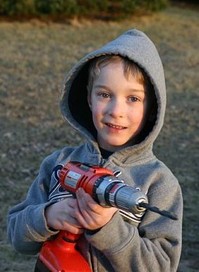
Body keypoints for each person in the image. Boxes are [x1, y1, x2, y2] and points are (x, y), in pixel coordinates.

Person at [7, 29, 183, 272]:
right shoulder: (59, 164)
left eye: (133, 98)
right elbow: (17, 237)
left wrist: (109, 229)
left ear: (152, 107)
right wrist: (47, 216)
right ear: (89, 99)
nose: (116, 110)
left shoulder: (159, 184)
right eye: (104, 94)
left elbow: (162, 266)